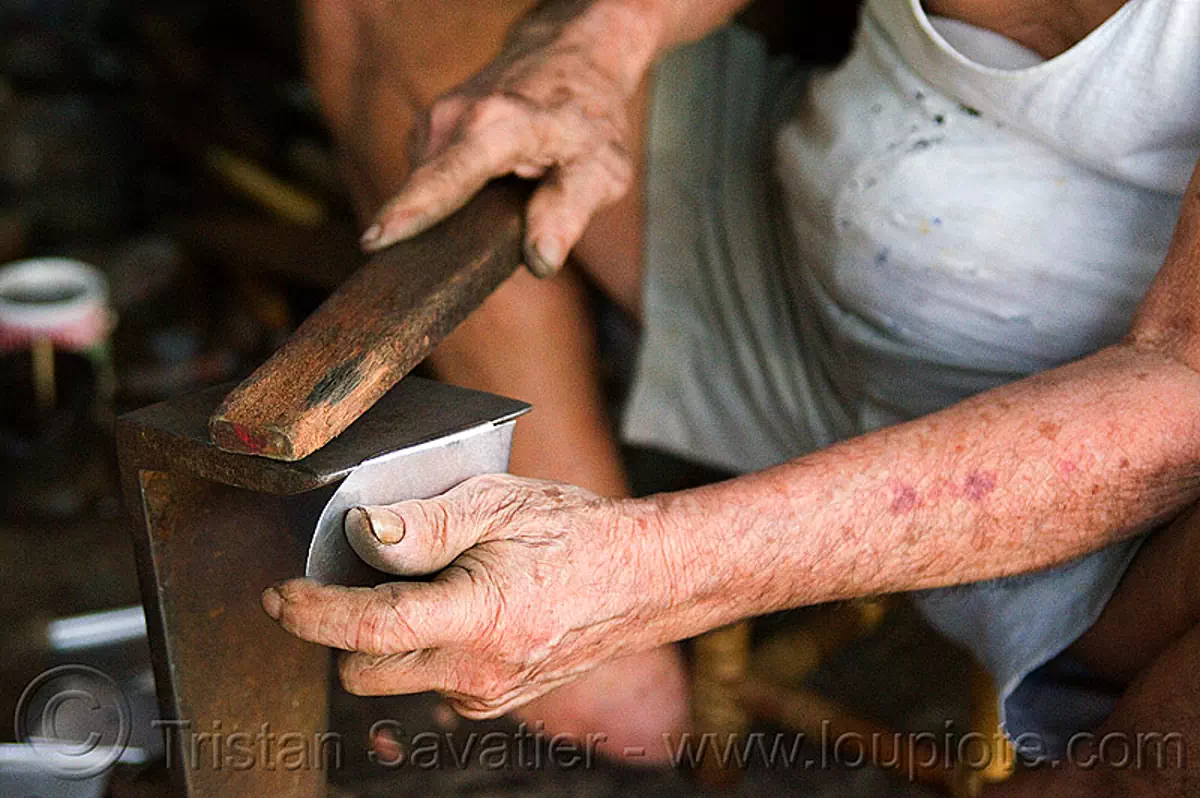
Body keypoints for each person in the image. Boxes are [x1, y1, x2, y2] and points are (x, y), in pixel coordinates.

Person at [263, 0, 1200, 792]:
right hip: (810, 247)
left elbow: (1183, 389)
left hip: (1101, 481)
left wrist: (652, 573)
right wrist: (598, 44)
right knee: (397, 17)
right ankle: (593, 659)